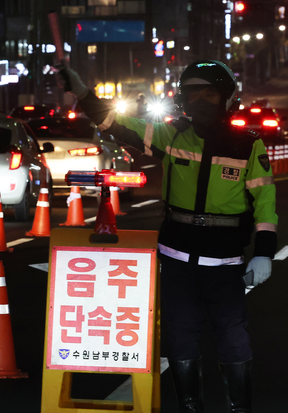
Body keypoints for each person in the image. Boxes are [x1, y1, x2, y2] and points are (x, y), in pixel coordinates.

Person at [60, 61, 277, 412]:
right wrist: (83, 92)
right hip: (176, 259)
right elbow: (116, 123)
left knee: (233, 337)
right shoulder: (170, 135)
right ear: (182, 99)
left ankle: (241, 408)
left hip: (226, 262)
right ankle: (189, 407)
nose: (201, 101)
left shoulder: (248, 145)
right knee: (178, 336)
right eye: (193, 94)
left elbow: (265, 201)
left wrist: (264, 251)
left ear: (227, 98)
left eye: (210, 94)